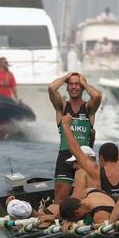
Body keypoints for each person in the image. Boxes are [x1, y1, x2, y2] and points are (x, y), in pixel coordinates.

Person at [62, 109, 119, 201]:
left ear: (101, 158)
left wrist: (65, 124)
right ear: (115, 157)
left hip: (105, 212)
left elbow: (76, 150)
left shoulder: (96, 172)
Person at [48, 72, 102, 205]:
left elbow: (97, 96)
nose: (73, 87)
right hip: (65, 158)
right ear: (66, 87)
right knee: (60, 200)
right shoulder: (62, 107)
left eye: (77, 84)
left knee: (85, 199)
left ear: (82, 87)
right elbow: (51, 88)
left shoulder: (89, 108)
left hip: (85, 159)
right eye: (70, 84)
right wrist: (65, 78)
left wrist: (84, 83)